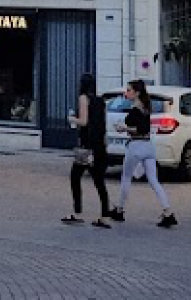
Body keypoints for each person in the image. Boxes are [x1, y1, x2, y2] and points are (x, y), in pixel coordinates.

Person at [111, 79, 178, 228]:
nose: (126, 93)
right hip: (148, 146)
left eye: (129, 90)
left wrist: (124, 128)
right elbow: (145, 129)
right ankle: (167, 211)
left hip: (136, 146)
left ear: (137, 92)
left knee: (126, 177)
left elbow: (140, 129)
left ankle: (119, 210)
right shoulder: (146, 107)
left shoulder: (136, 109)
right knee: (153, 180)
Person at [63, 73, 111, 228]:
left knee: (75, 176)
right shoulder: (100, 101)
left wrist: (72, 119)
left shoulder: (83, 98)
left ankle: (77, 212)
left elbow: (84, 121)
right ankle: (104, 215)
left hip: (87, 146)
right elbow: (102, 124)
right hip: (99, 145)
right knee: (99, 181)